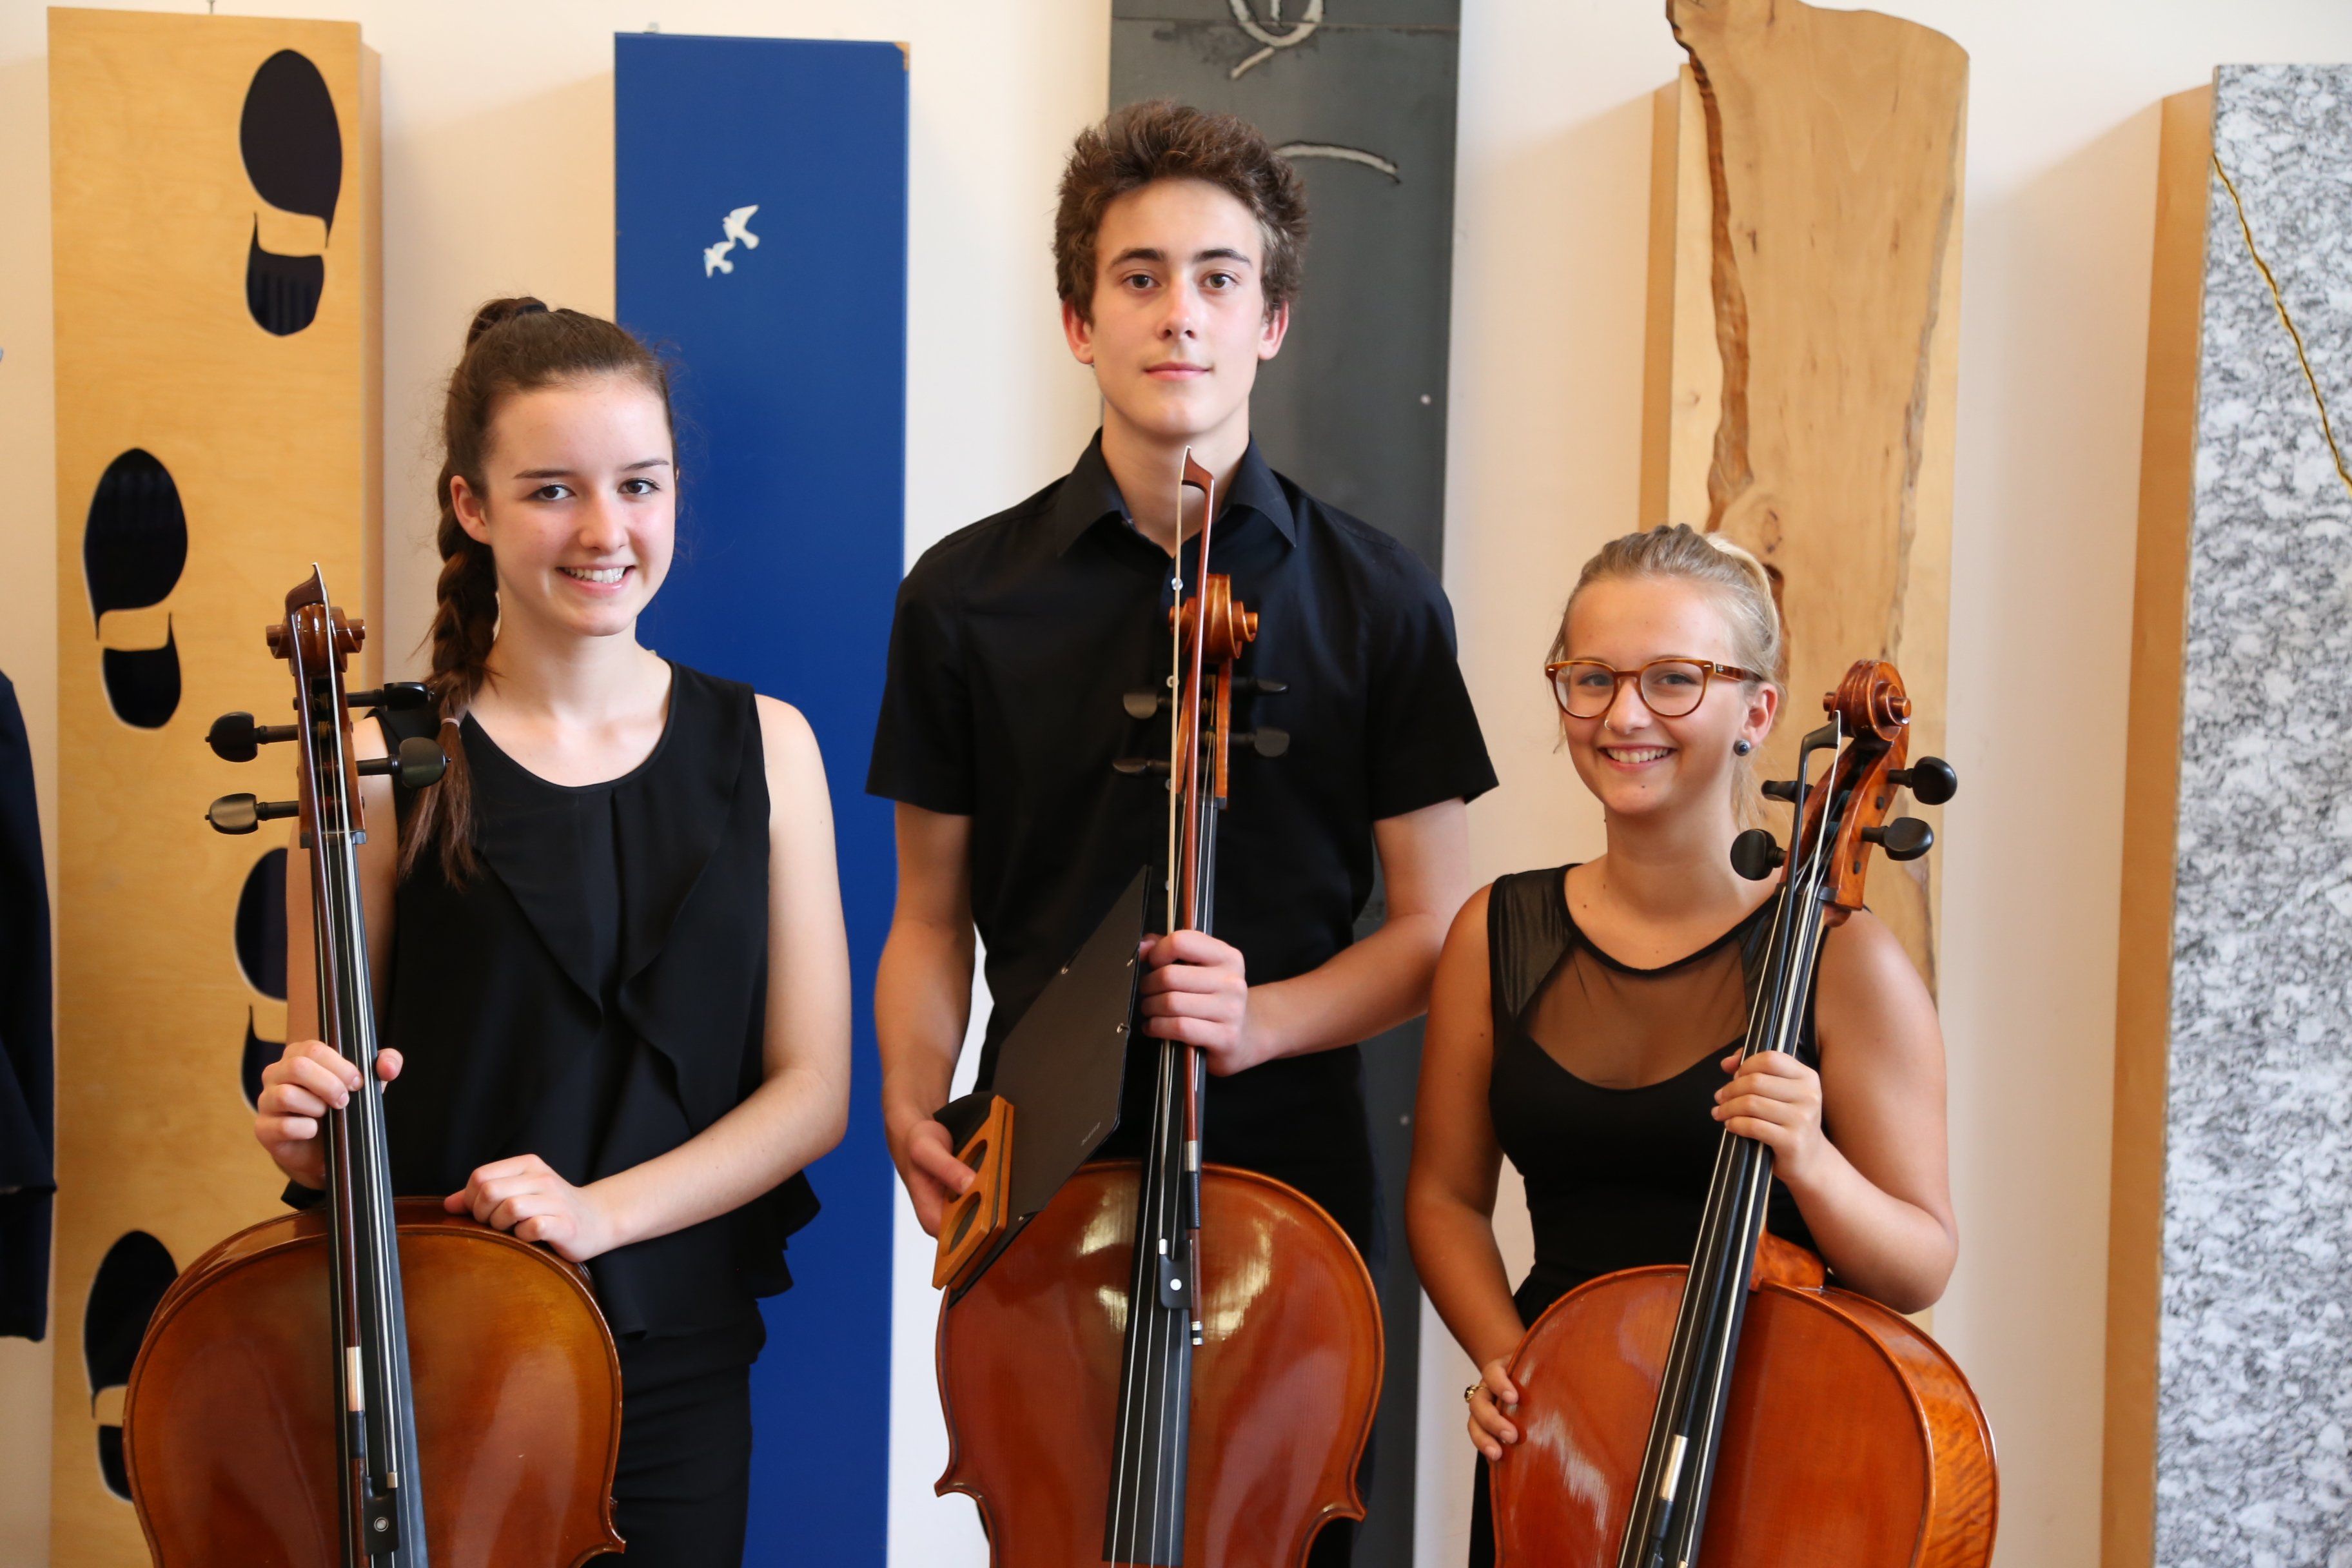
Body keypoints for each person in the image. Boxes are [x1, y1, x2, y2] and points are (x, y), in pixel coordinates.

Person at [868, 102, 1494, 1563]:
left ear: (1271, 322)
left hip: (1291, 1177)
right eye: (1138, 277)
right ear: (1079, 322)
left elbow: (1435, 930)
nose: (1179, 313)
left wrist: (1262, 1021)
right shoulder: (961, 598)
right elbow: (928, 918)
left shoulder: (1380, 598)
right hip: (1042, 1162)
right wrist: (910, 1100)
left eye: (1219, 278)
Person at [252, 299, 852, 1567]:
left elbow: (812, 1094)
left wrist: (600, 1214)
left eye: (639, 484)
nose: (604, 530)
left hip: (681, 1361)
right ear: (472, 506)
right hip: (438, 1350)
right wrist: (304, 1126)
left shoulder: (771, 747)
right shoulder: (374, 764)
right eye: (551, 491)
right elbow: (328, 1115)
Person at [1405, 524, 1958, 1565]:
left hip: (1767, 1443)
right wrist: (1516, 1366)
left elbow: (1921, 1262)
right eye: (1592, 678)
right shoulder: (1497, 932)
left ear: (1758, 712)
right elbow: (1444, 1197)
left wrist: (1811, 1157)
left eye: (1673, 679)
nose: (1624, 715)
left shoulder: (1844, 959)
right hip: (1561, 1445)